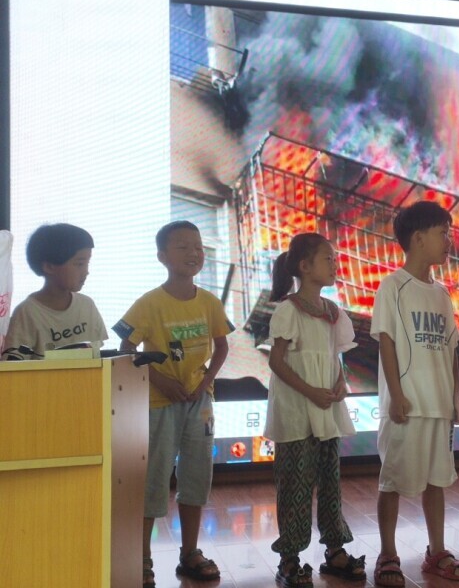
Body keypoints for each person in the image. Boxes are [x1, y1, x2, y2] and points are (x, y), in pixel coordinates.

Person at [112, 220, 233, 587]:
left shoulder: (209, 302)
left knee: (197, 476)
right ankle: (142, 558)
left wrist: (205, 383)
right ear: (162, 257)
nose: (194, 252)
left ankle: (190, 552)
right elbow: (126, 348)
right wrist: (161, 380)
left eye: (198, 246)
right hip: (158, 403)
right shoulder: (149, 303)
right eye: (183, 247)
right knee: (154, 478)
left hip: (200, 403)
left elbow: (222, 346)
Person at [370, 200, 459, 587]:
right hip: (407, 406)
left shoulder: (442, 294)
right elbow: (387, 342)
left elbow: (451, 349)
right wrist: (395, 395)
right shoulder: (392, 286)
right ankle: (387, 554)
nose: (449, 241)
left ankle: (436, 551)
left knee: (436, 481)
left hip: (438, 405)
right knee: (393, 481)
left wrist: (456, 395)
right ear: (418, 238)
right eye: (443, 233)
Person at [263, 232, 366, 587]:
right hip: (296, 412)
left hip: (326, 411)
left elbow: (333, 356)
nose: (334, 264)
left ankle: (335, 550)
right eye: (327, 258)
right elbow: (276, 362)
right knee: (295, 484)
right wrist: (310, 392)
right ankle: (289, 558)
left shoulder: (333, 312)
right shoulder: (288, 310)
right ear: (304, 266)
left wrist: (340, 383)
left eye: (334, 258)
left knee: (330, 482)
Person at [2, 223, 107, 360]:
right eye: (79, 264)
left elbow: (97, 356)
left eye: (87, 263)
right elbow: (13, 364)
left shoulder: (87, 305)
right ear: (49, 267)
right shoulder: (27, 312)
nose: (86, 271)